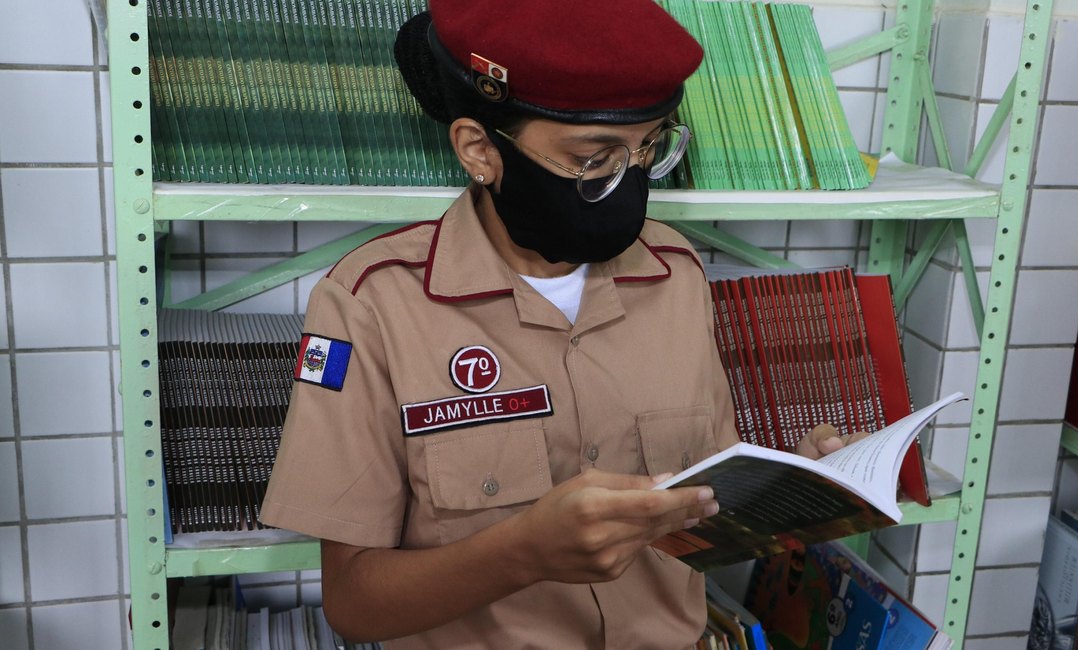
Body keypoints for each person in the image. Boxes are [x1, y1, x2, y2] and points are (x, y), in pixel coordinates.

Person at [260, 1, 862, 647]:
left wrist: (795, 485)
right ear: (480, 150)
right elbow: (355, 606)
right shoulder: (373, 303)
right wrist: (522, 554)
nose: (627, 181)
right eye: (592, 158)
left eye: (649, 146)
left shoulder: (677, 274)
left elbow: (696, 510)